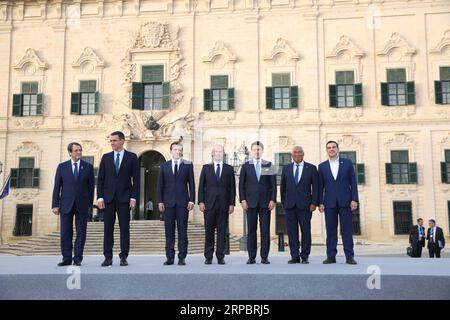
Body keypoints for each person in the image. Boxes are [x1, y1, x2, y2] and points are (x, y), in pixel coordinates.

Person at [97, 131, 140, 267]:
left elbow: (137, 180)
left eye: (114, 140)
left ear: (122, 141)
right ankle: (107, 257)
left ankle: (123, 256)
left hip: (124, 199)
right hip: (108, 199)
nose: (112, 143)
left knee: (124, 228)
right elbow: (101, 179)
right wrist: (100, 197)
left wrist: (133, 197)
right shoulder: (106, 157)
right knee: (107, 228)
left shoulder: (132, 157)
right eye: (111, 141)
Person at [52, 142, 95, 266]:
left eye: (80, 150)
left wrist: (90, 205)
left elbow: (91, 188)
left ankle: (77, 258)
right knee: (66, 232)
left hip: (82, 205)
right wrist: (55, 204)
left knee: (81, 232)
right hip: (66, 204)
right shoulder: (62, 167)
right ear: (70, 152)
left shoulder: (88, 167)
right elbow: (57, 187)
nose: (79, 152)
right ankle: (66, 258)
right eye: (76, 150)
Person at [318, 140, 359, 265]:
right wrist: (320, 202)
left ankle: (349, 256)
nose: (331, 149)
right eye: (329, 147)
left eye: (333, 147)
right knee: (331, 230)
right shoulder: (322, 166)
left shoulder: (347, 163)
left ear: (338, 149)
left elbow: (353, 182)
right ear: (327, 150)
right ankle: (331, 256)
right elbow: (320, 186)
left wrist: (354, 199)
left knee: (347, 229)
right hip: (329, 202)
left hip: (345, 201)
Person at [157, 142, 195, 266]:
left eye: (179, 150)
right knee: (169, 231)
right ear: (171, 151)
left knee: (183, 231)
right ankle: (169, 257)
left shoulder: (188, 165)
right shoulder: (164, 166)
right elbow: (160, 186)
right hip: (168, 203)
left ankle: (182, 257)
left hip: (183, 203)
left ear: (182, 151)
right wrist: (160, 201)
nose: (177, 152)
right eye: (175, 149)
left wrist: (191, 200)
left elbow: (192, 185)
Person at [239, 141, 277, 264]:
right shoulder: (246, 166)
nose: (256, 152)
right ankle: (251, 257)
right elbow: (241, 186)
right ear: (251, 151)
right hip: (250, 203)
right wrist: (243, 200)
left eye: (259, 150)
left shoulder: (268, 165)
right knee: (251, 231)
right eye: (254, 149)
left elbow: (273, 185)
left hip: (266, 203)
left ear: (262, 151)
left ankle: (264, 257)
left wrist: (273, 200)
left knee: (265, 231)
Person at [280, 146, 319, 264]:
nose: (297, 154)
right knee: (292, 232)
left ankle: (305, 256)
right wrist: (283, 203)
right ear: (292, 155)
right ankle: (294, 256)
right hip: (290, 206)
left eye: (299, 152)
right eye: (295, 152)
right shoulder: (286, 168)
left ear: (303, 154)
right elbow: (283, 187)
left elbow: (316, 188)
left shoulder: (311, 168)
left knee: (306, 231)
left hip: (306, 206)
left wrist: (314, 203)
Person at [198, 145, 236, 265]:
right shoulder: (206, 168)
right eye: (216, 151)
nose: (218, 153)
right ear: (212, 153)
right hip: (209, 205)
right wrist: (201, 201)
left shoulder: (229, 169)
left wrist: (232, 203)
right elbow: (201, 186)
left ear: (223, 153)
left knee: (222, 232)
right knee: (209, 232)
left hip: (224, 205)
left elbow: (232, 188)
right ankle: (208, 256)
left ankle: (220, 256)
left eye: (220, 151)